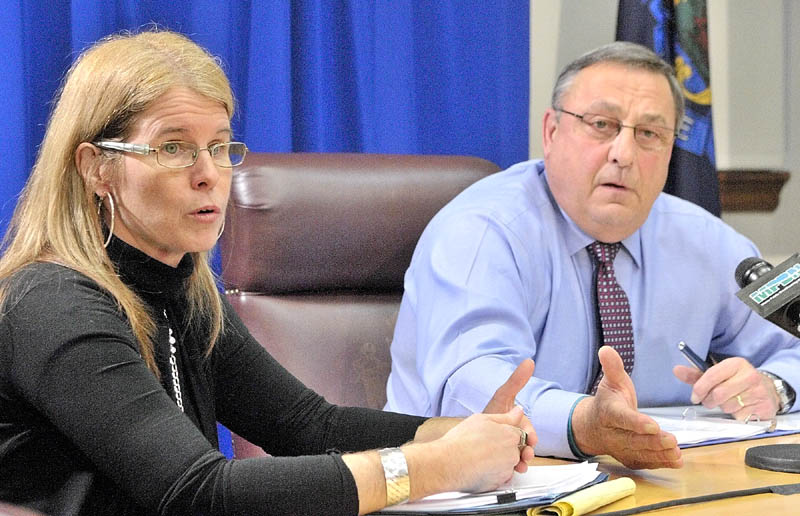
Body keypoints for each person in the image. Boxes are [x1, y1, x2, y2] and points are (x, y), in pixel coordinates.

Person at [0, 30, 539, 516]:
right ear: (97, 168)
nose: (209, 174)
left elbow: (309, 428)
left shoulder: (182, 290)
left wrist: (467, 434)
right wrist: (438, 465)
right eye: (174, 147)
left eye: (219, 146)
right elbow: (197, 493)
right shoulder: (53, 303)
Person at [385, 41, 800, 470]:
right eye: (602, 124)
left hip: (651, 481)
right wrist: (584, 423)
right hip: (462, 486)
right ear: (551, 132)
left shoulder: (712, 243)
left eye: (650, 134)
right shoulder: (481, 232)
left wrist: (776, 386)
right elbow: (472, 387)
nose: (623, 154)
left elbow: (796, 336)